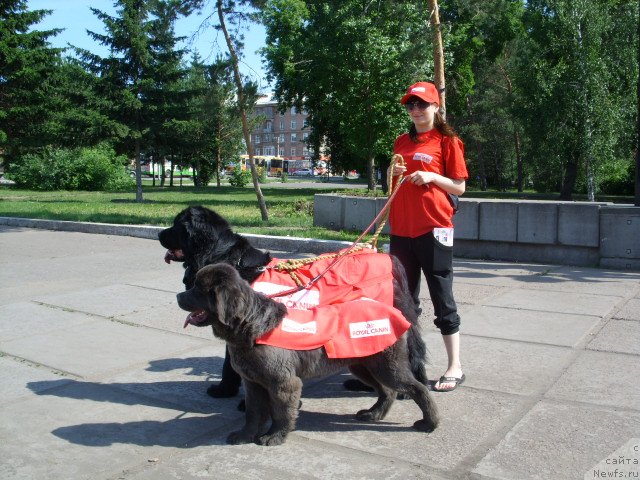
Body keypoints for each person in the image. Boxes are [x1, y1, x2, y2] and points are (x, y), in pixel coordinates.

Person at [389, 81, 468, 392]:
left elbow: (459, 187)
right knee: (403, 302)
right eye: (411, 105)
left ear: (436, 107)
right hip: (402, 231)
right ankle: (404, 368)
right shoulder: (401, 141)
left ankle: (455, 367)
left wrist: (433, 176)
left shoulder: (448, 142)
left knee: (442, 298)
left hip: (434, 229)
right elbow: (394, 184)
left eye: (422, 104)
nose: (416, 110)